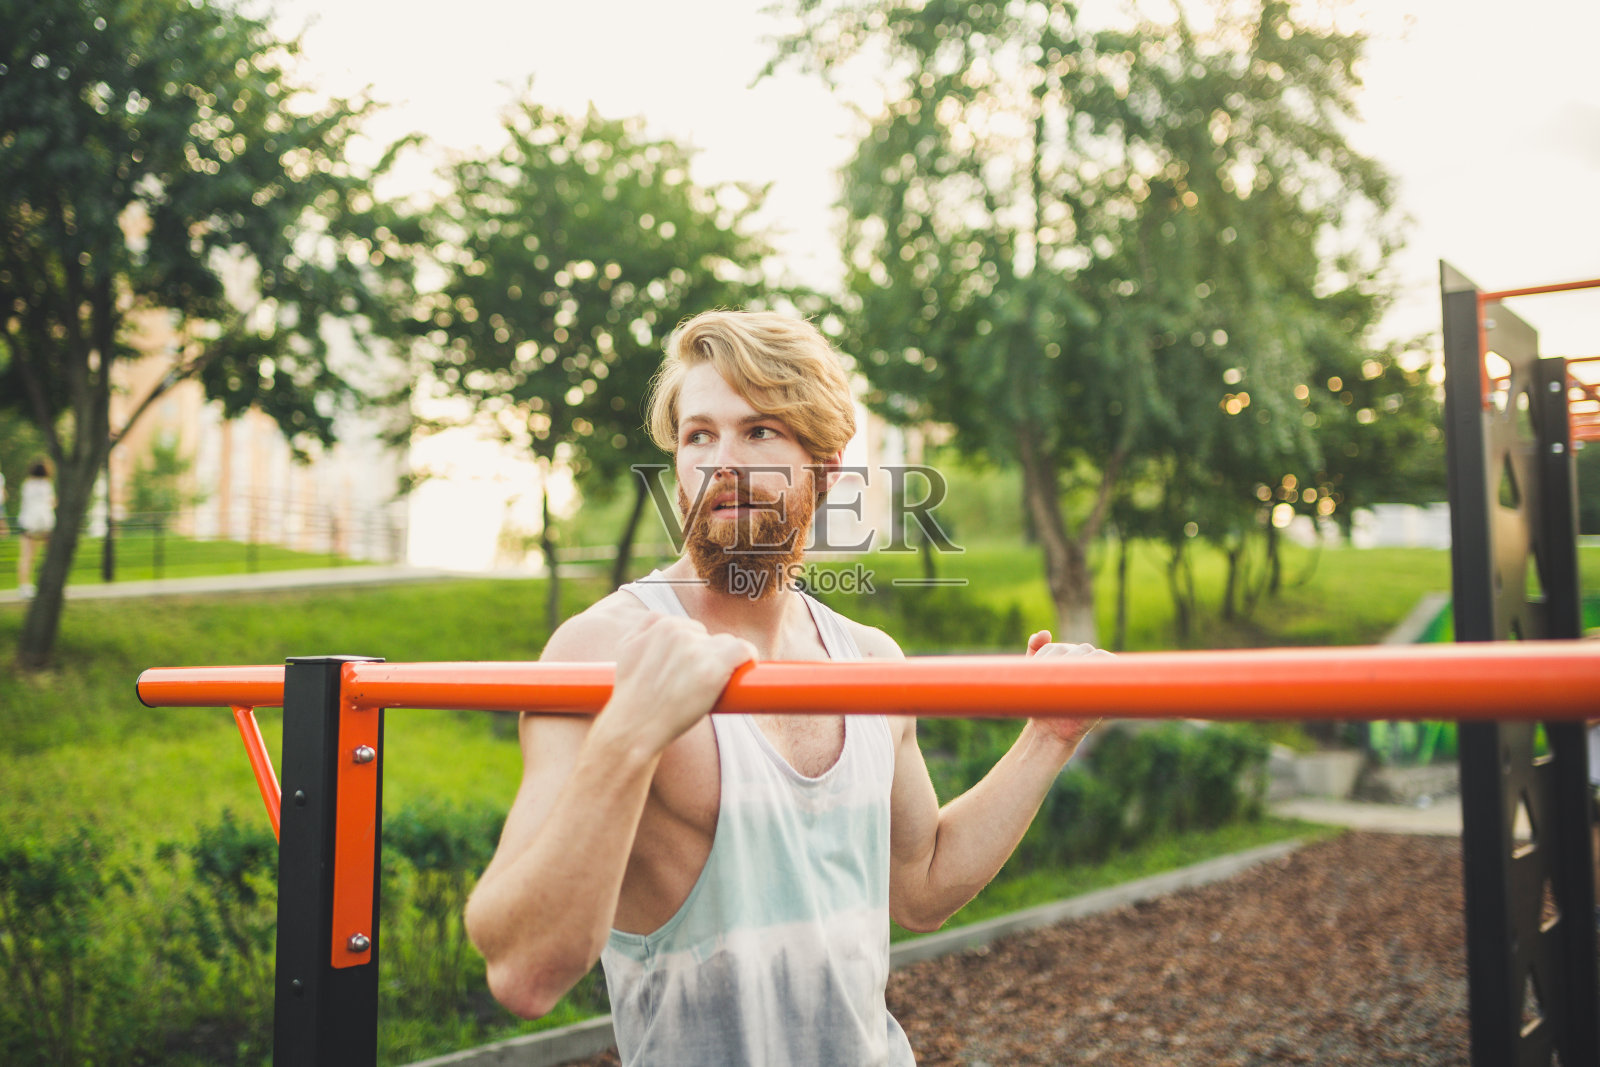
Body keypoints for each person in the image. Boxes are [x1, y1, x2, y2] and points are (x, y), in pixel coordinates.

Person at [464, 310, 1103, 1066]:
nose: (722, 462)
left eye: (759, 430)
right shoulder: (601, 650)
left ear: (826, 468)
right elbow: (522, 969)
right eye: (698, 435)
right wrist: (631, 733)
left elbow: (922, 882)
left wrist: (1049, 734)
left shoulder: (869, 658)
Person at [16, 458, 56, 598]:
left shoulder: (27, 485)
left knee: (27, 556)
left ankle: (24, 586)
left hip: (29, 522)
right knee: (50, 555)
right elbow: (52, 502)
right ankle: (50, 584)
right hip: (45, 522)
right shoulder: (47, 485)